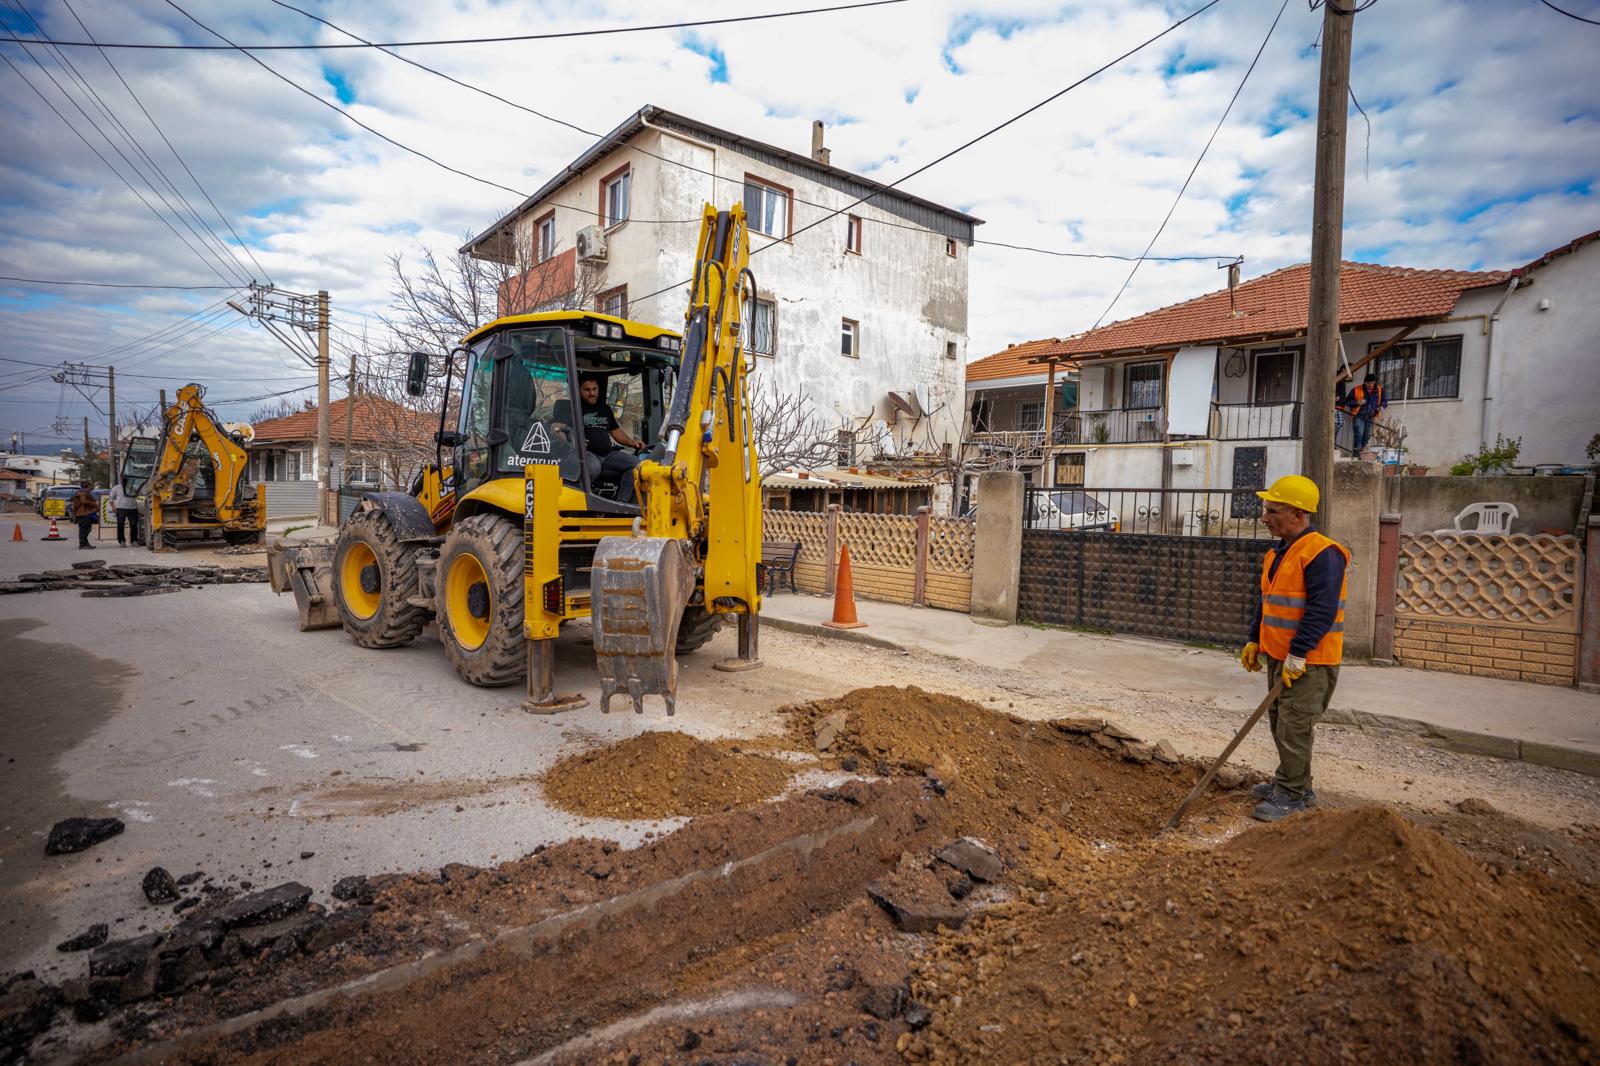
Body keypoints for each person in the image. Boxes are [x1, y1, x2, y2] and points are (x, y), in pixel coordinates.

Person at [1239, 474, 1350, 822]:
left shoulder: (1322, 554)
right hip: (1280, 656)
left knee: (1294, 727)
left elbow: (1322, 610)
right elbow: (1267, 601)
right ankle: (1296, 783)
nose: (1264, 517)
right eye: (1265, 510)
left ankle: (1291, 796)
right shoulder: (1277, 553)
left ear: (1298, 515)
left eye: (1273, 511)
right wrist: (1254, 638)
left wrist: (1299, 653)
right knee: (1281, 724)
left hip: (1309, 661)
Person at [552, 375, 646, 503]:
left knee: (637, 464)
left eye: (594, 389)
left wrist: (631, 442)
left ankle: (622, 503)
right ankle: (577, 501)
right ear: (578, 390)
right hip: (584, 454)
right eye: (587, 390)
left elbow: (616, 431)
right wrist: (572, 440)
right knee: (593, 467)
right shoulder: (571, 408)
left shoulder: (605, 409)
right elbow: (555, 427)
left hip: (607, 455)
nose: (592, 393)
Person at [1343, 373, 1386, 454]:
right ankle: (1357, 454)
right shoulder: (1356, 389)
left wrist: (1382, 407)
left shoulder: (1379, 390)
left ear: (1375, 382)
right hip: (1358, 415)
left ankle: (1362, 453)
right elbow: (1347, 401)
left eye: (1372, 383)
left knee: (1367, 436)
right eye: (1368, 383)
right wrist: (1357, 402)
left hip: (1371, 416)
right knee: (1359, 434)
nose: (1370, 385)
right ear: (1365, 382)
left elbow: (1384, 401)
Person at [69, 480, 98, 550]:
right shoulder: (83, 492)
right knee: (84, 529)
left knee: (87, 529)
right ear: (88, 486)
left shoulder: (82, 492)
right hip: (84, 513)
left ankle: (85, 543)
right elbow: (83, 501)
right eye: (92, 485)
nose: (93, 486)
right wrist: (95, 504)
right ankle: (82, 544)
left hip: (84, 513)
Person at [111, 479, 140, 546]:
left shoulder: (134, 487)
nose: (124, 482)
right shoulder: (116, 488)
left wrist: (132, 489)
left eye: (126, 480)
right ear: (121, 480)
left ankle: (134, 540)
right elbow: (110, 498)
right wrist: (113, 506)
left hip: (133, 508)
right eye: (123, 480)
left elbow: (137, 494)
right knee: (120, 525)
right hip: (121, 509)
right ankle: (122, 541)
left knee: (133, 525)